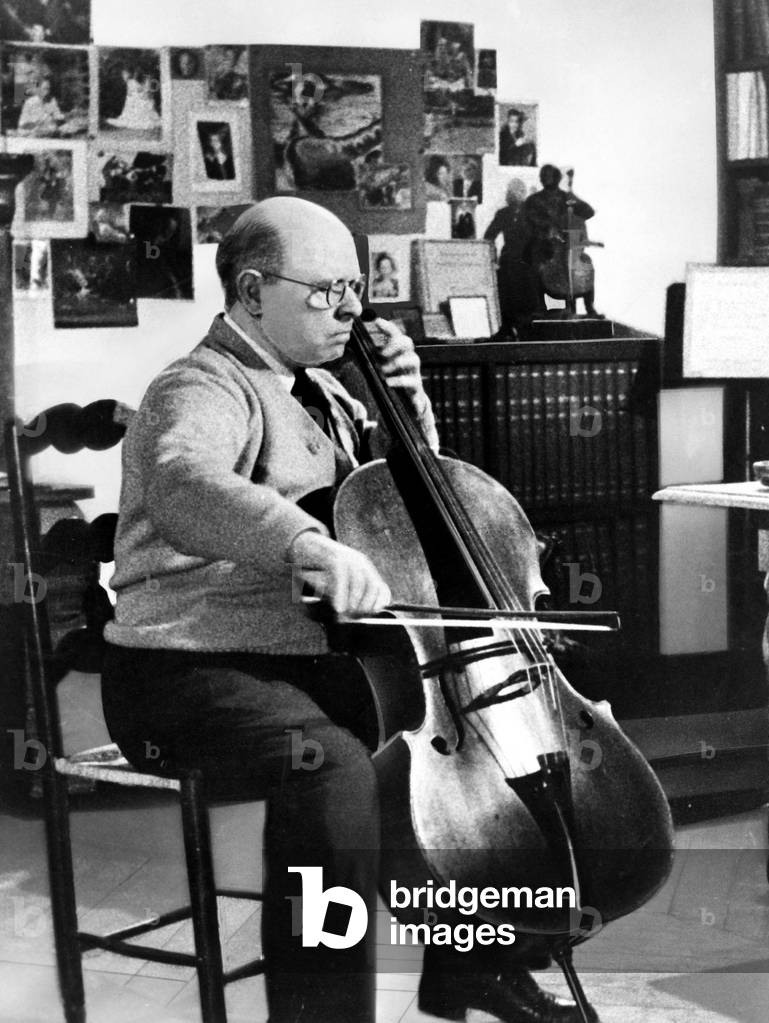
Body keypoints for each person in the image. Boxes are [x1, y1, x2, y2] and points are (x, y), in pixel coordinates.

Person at [101, 196, 596, 1023]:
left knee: (465, 756)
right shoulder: (199, 385)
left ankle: (472, 961)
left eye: (356, 287)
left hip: (303, 660)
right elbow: (187, 481)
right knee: (326, 765)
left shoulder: (326, 390)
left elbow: (401, 509)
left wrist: (411, 404)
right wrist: (306, 544)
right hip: (182, 667)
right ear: (254, 292)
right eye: (328, 290)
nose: (353, 309)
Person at [524, 165, 599, 317]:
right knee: (537, 264)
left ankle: (589, 307)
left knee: (586, 264)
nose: (545, 178)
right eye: (543, 175)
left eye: (549, 175)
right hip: (546, 245)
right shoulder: (534, 200)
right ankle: (540, 307)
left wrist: (572, 195)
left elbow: (588, 212)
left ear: (557, 178)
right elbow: (531, 221)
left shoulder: (566, 197)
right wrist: (548, 228)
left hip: (567, 246)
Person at [484, 178, 540, 336]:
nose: (517, 194)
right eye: (513, 191)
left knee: (528, 298)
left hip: (527, 262)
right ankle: (507, 329)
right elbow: (489, 237)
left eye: (521, 191)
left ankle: (526, 331)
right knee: (506, 297)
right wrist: (492, 259)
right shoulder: (502, 213)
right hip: (508, 261)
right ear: (509, 194)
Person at [105, 66, 161, 131]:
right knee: (139, 102)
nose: (124, 76)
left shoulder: (143, 80)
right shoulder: (132, 82)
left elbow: (146, 91)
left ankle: (143, 116)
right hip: (135, 101)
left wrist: (145, 93)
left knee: (144, 102)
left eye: (125, 74)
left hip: (141, 100)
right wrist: (140, 94)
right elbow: (131, 93)